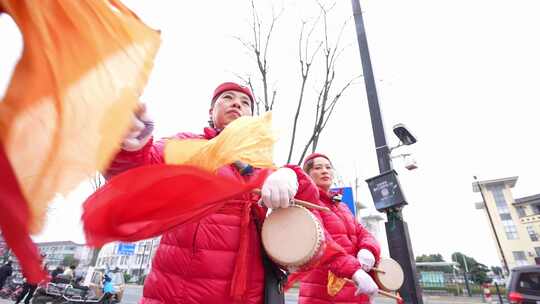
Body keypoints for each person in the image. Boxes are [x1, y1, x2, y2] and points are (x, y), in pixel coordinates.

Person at [105, 82, 321, 304]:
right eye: (227, 97)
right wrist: (132, 144)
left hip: (249, 294)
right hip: (180, 293)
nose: (237, 103)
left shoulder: (263, 164)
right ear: (211, 111)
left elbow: (312, 213)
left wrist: (292, 175)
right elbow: (137, 172)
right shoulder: (190, 145)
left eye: (245, 102)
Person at [299, 153, 382, 303]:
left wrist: (368, 249)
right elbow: (320, 243)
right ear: (307, 174)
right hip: (323, 290)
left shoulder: (342, 206)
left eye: (328, 167)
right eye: (318, 167)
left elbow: (362, 232)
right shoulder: (307, 202)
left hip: (355, 284)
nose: (325, 171)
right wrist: (354, 271)